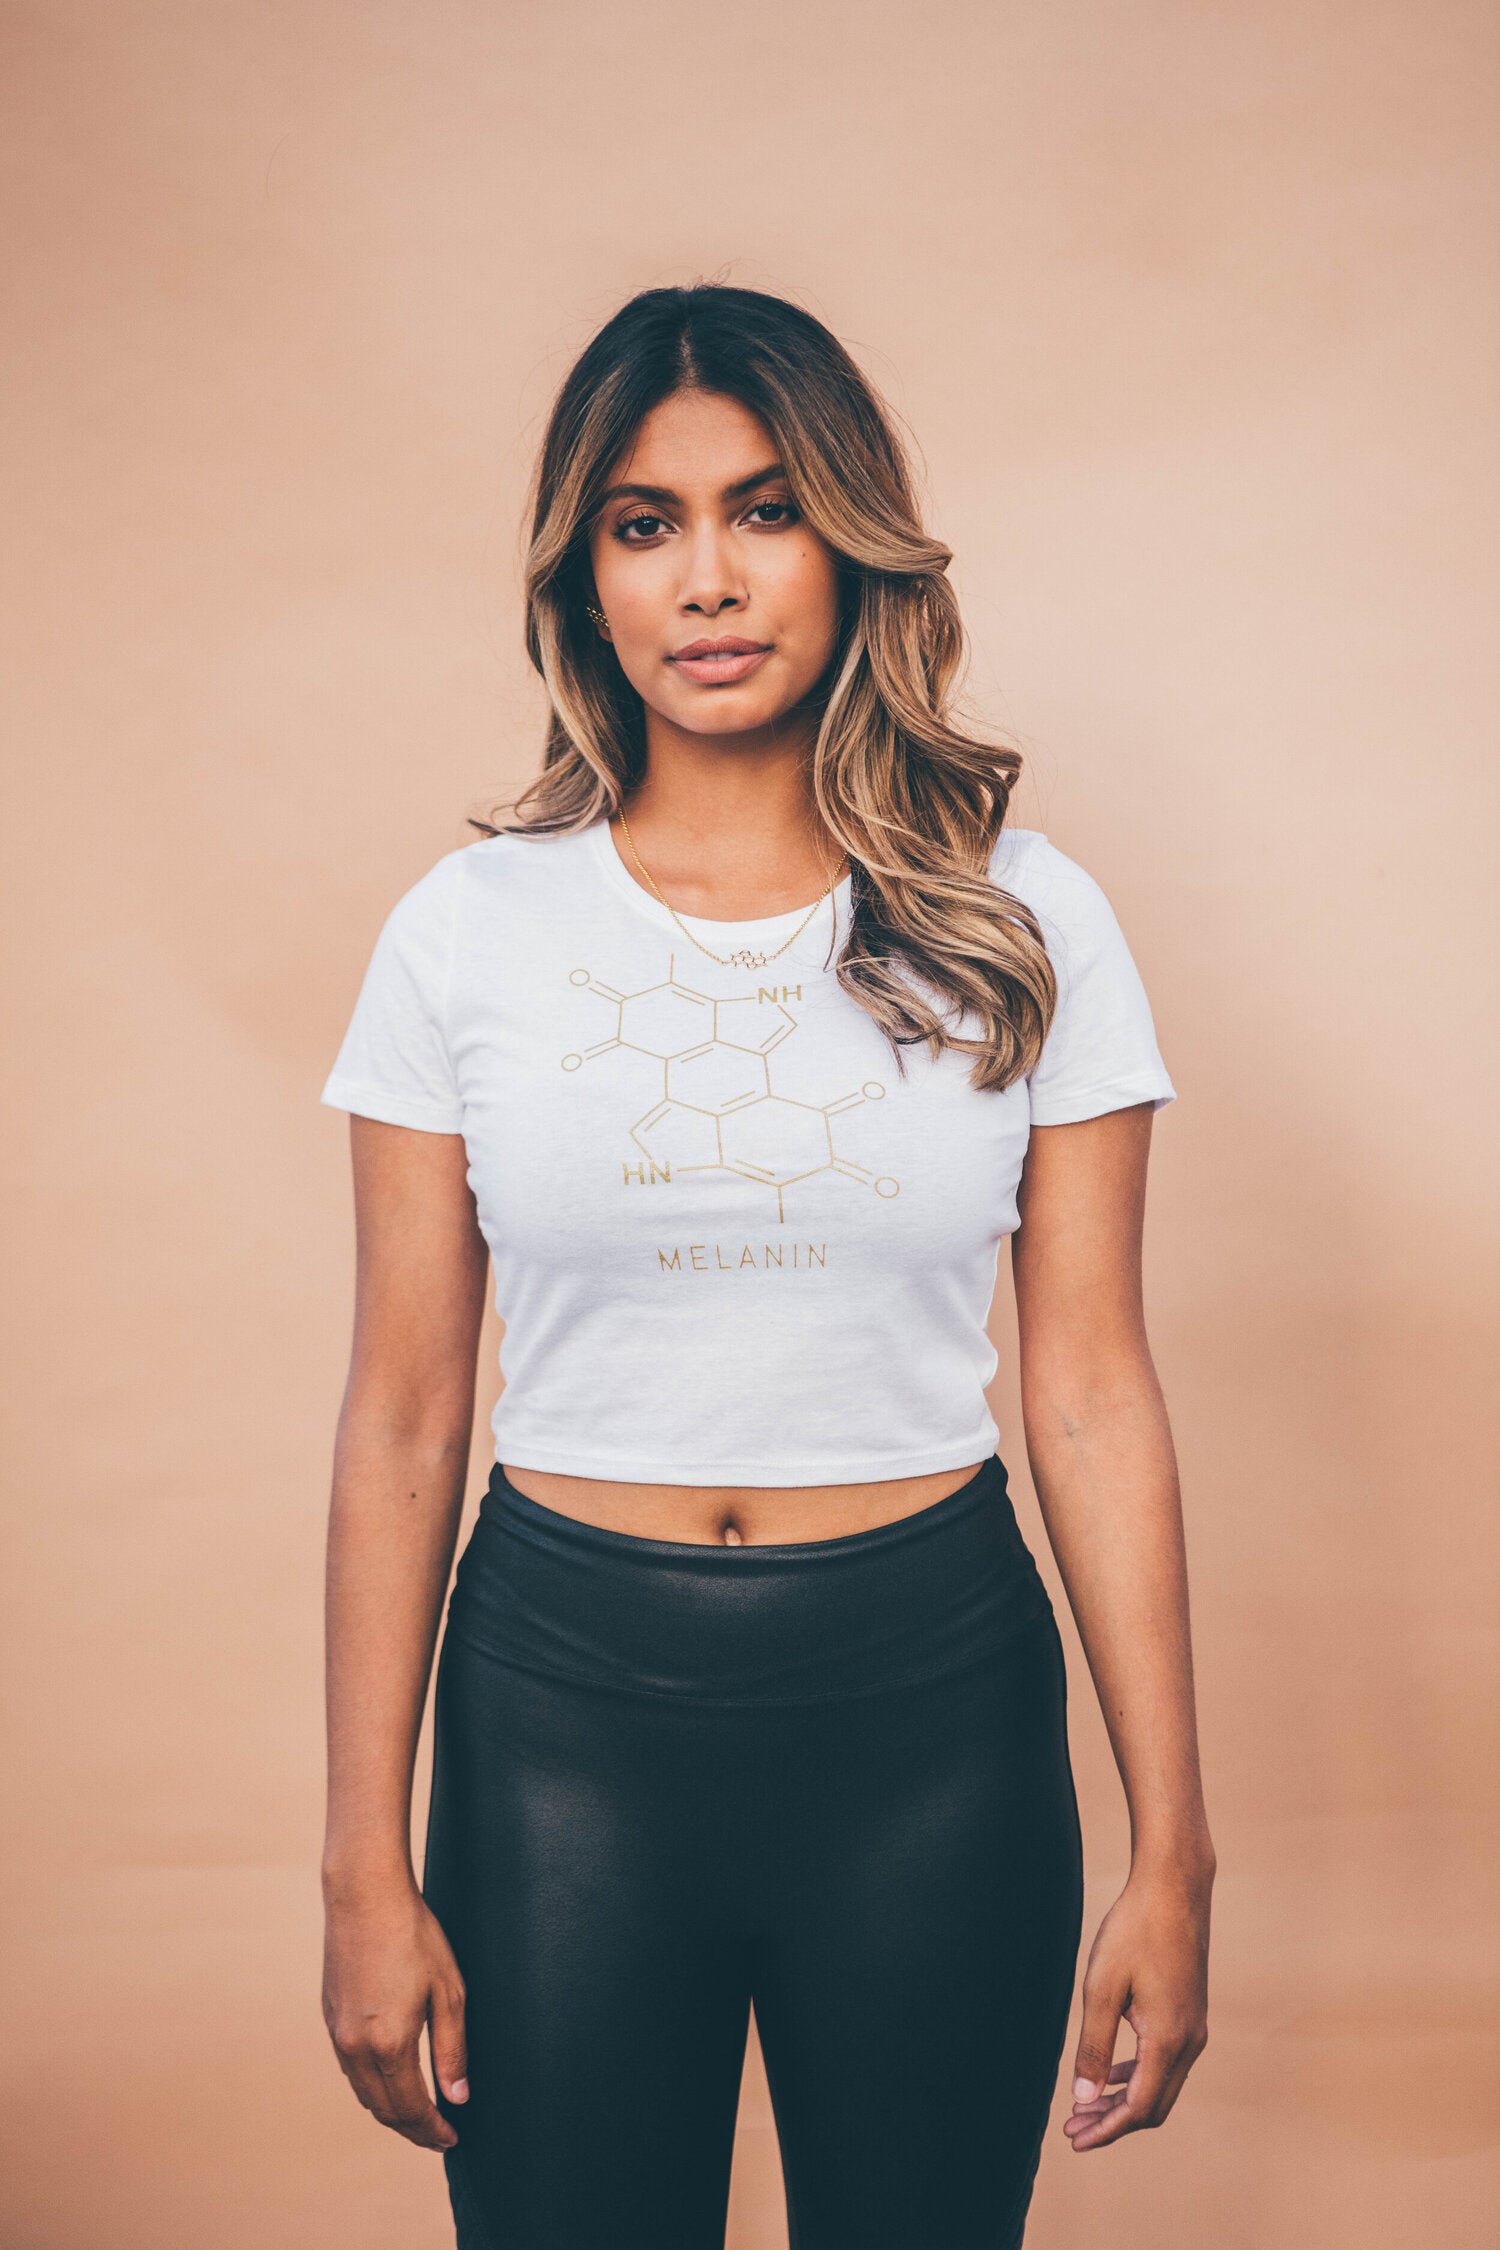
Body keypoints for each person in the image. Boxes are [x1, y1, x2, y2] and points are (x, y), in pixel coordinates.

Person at [317, 282, 1215, 2250]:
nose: (707, 580)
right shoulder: (465, 933)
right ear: (586, 576)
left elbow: (1088, 1388)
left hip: (934, 1716)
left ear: (853, 546)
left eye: (765, 510)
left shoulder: (1017, 916)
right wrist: (358, 1871)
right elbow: (400, 1416)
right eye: (646, 524)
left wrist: (1178, 1849)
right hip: (558, 1712)